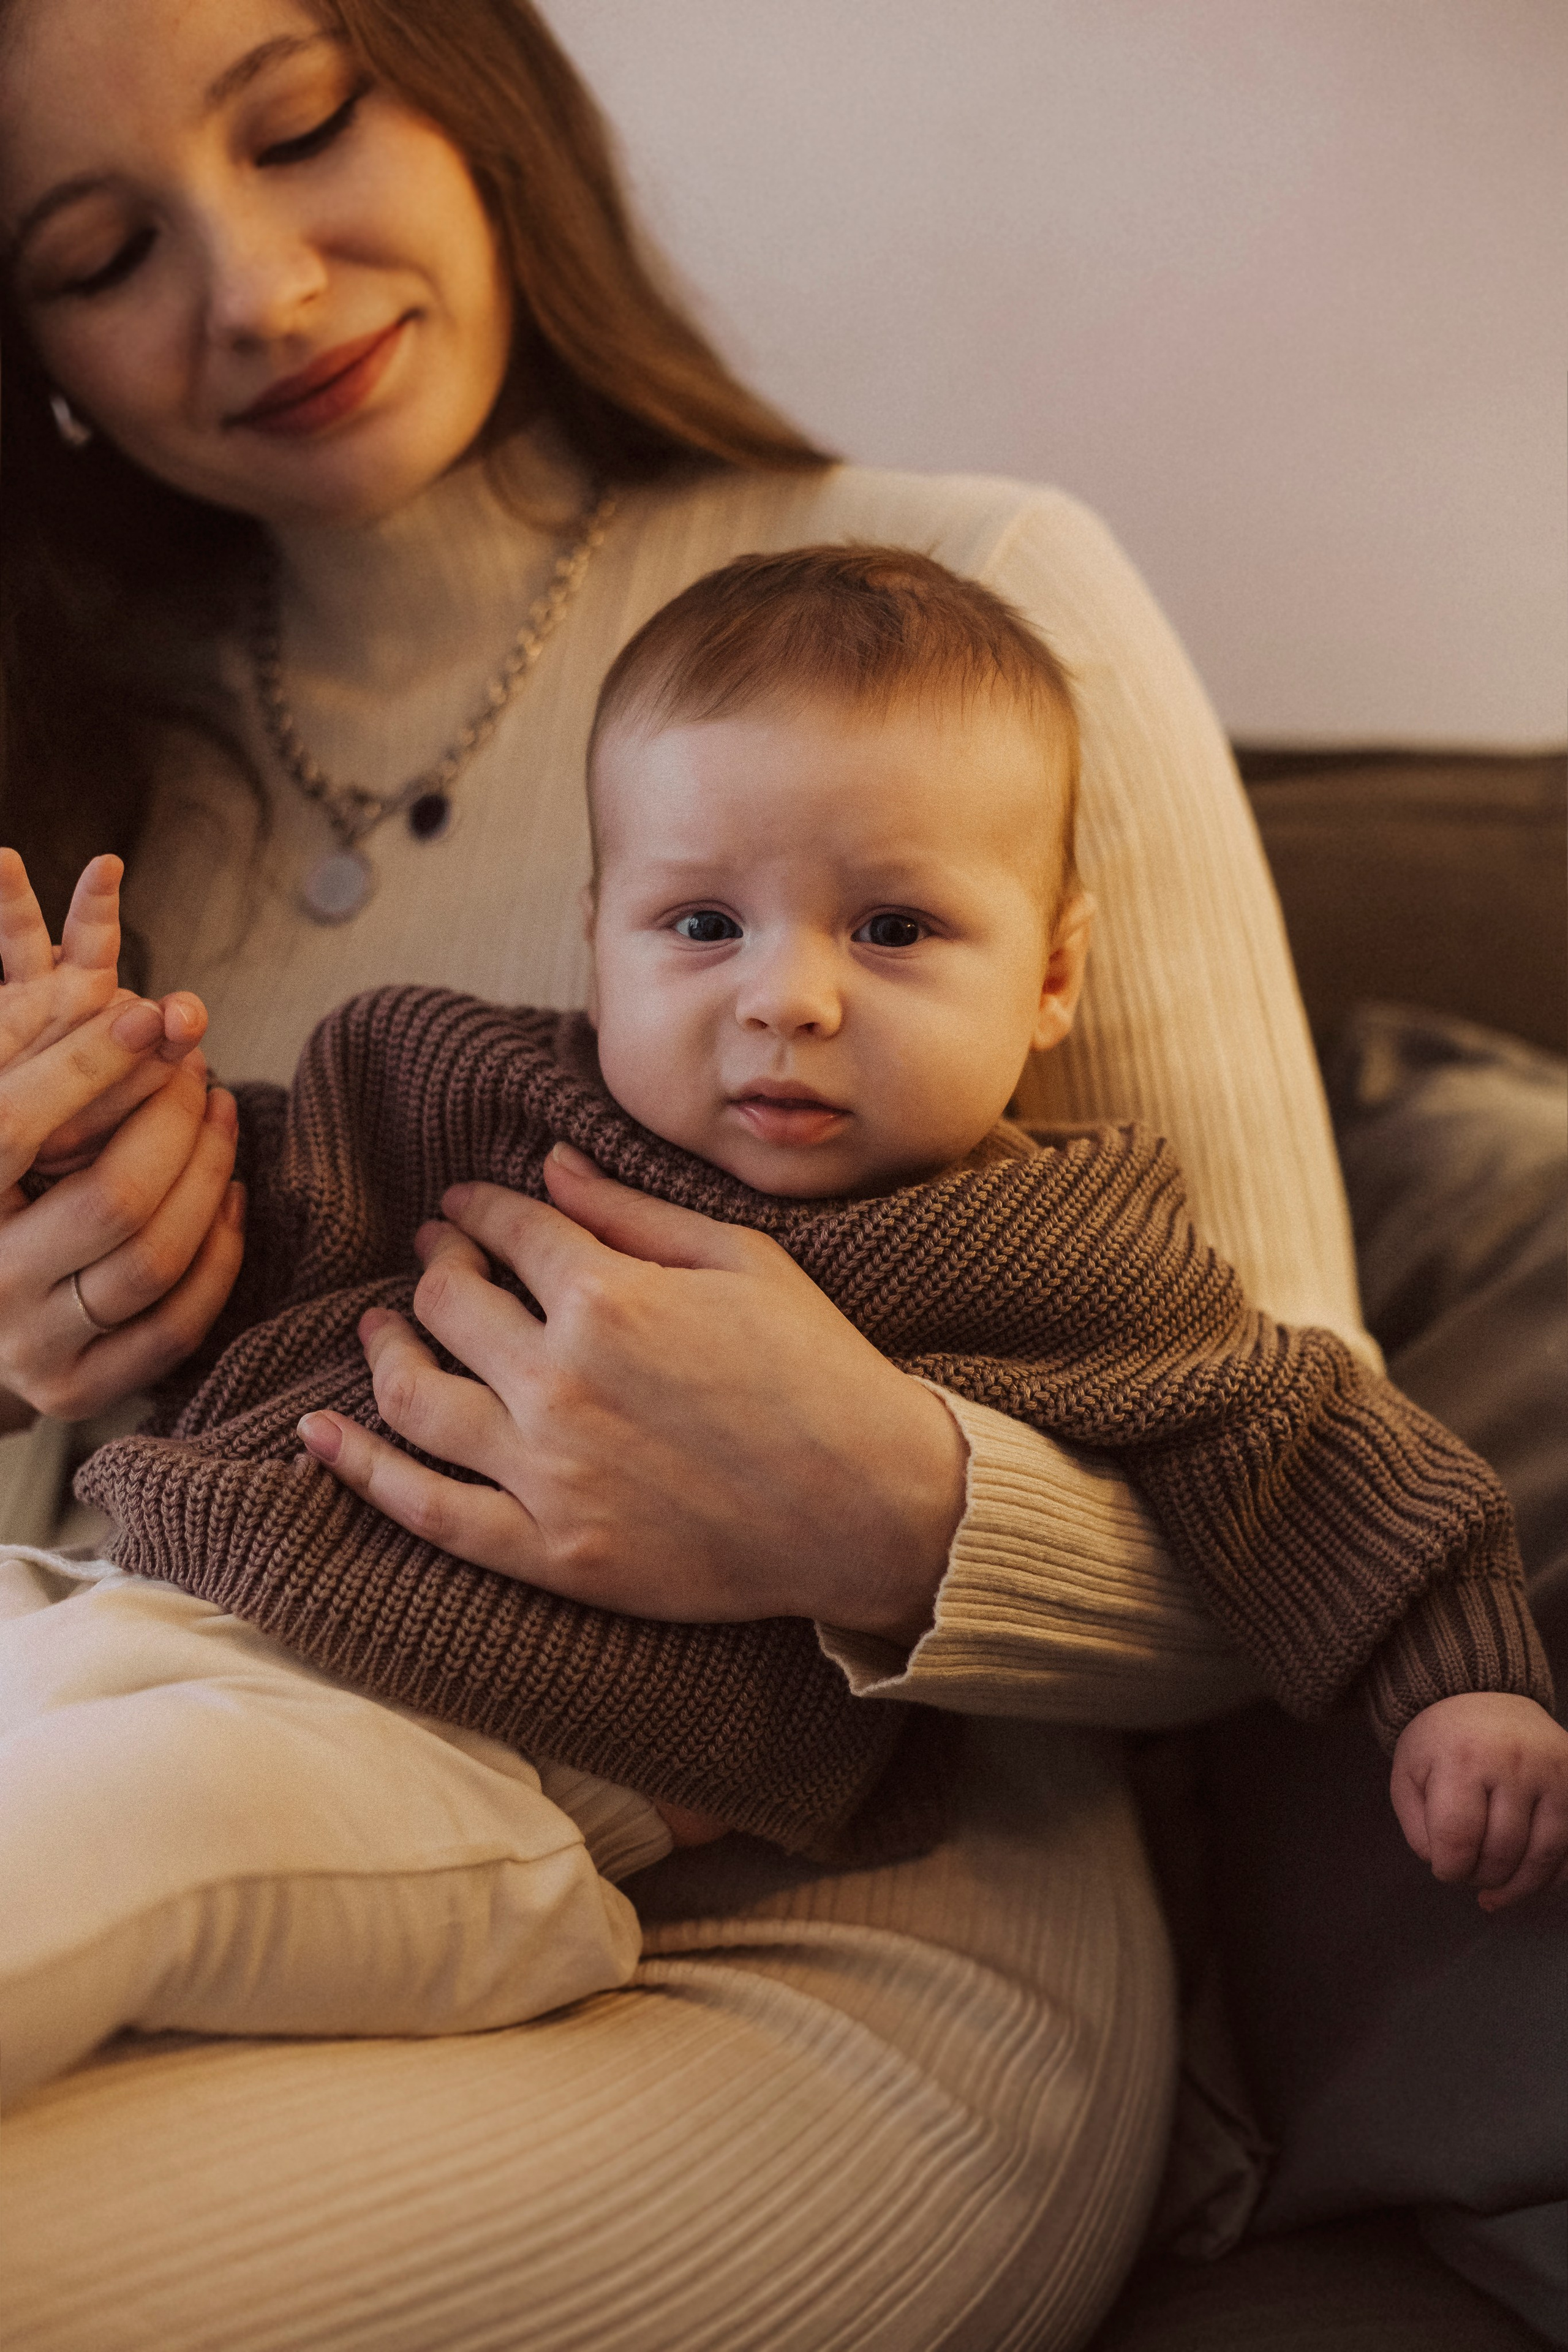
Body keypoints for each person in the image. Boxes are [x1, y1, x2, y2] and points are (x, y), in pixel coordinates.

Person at [0, 2, 1415, 2346]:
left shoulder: (968, 598)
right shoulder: (68, 757)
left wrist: (879, 1500)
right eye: (93, 247)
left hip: (862, 1928)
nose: (253, 292)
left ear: (479, 88)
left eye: (306, 122)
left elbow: (1299, 1481)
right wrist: (47, 1341)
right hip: (202, 1717)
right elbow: (83, 1532)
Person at [2, 543, 1562, 2115]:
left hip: (471, 1775)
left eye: (890, 930)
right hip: (147, 1605)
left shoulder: (1063, 1254)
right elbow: (229, 1211)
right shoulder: (456, 1089)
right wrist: (93, 1128)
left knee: (103, 1845)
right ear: (595, 933)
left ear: (1052, 976)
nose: (788, 999)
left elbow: (1301, 1443)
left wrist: (1458, 1679)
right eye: (700, 926)